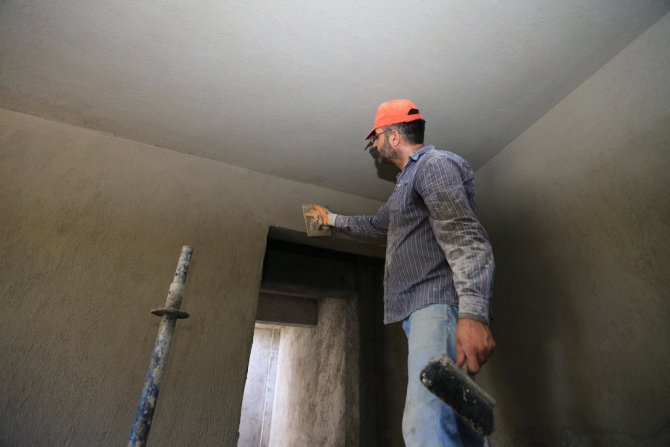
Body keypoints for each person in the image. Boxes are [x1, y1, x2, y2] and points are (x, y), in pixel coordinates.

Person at [306, 99, 496, 446]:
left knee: (424, 422)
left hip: (434, 304)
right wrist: (330, 219)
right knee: (457, 420)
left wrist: (473, 313)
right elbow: (377, 225)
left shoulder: (433, 166)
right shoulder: (404, 187)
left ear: (394, 137)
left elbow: (464, 237)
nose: (374, 145)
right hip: (420, 310)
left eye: (375, 137)